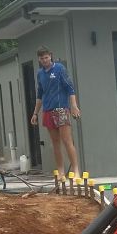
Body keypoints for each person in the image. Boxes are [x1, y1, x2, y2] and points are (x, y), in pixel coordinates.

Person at [30, 46, 80, 175]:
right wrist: (35, 113)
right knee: (55, 143)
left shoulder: (59, 69)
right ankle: (61, 171)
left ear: (50, 56)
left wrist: (73, 105)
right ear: (39, 60)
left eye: (46, 57)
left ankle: (75, 170)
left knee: (67, 140)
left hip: (61, 109)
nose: (45, 60)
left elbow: (70, 88)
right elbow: (40, 94)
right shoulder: (40, 73)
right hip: (47, 110)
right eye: (42, 58)